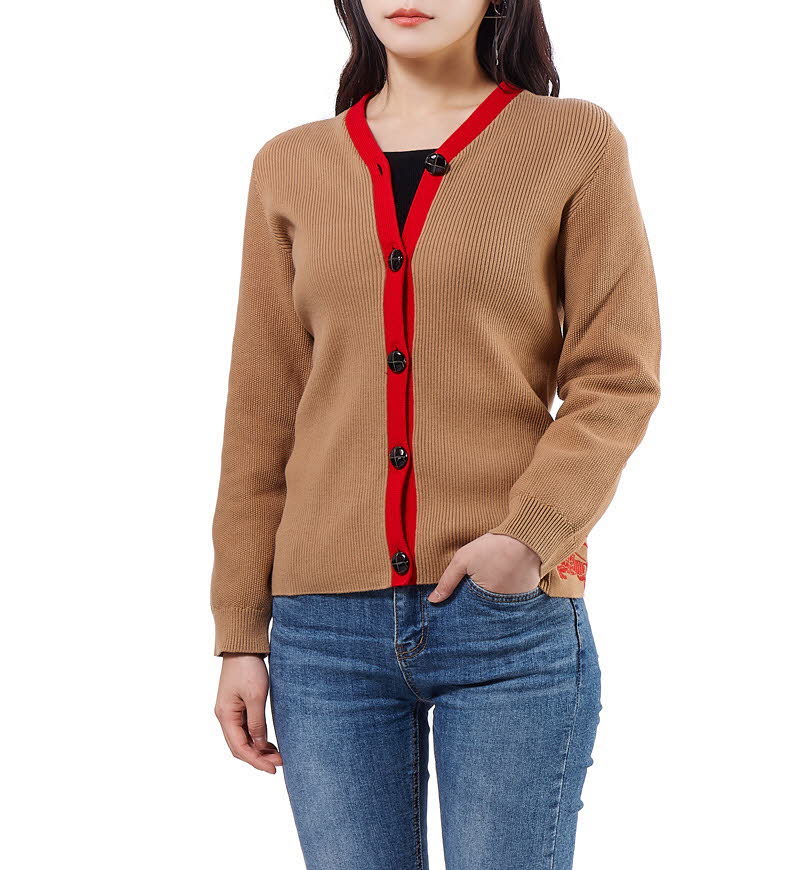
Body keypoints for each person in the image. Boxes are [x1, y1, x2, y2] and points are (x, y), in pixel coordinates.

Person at [211, 1, 661, 867]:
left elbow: (617, 376)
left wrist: (526, 539)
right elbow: (261, 414)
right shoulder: (289, 164)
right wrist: (239, 630)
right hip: (321, 635)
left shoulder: (574, 141)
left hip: (507, 619)